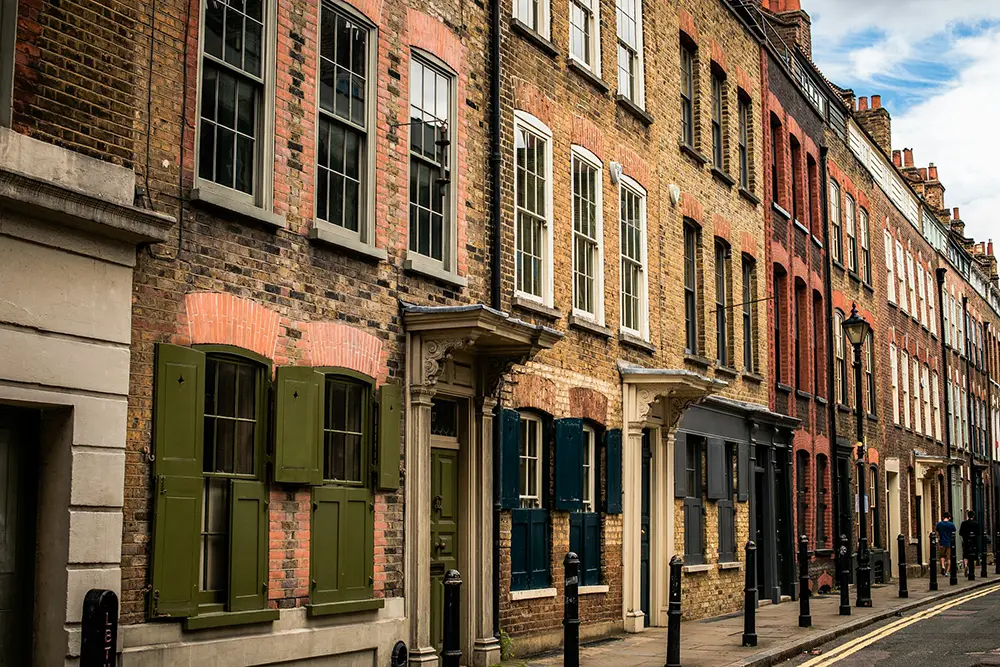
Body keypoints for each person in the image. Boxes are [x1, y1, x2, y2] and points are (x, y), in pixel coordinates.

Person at [936, 511, 956, 576]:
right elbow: (954, 531)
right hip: (949, 543)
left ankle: (943, 566)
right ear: (949, 517)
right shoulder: (951, 525)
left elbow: (937, 530)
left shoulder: (939, 524)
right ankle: (947, 572)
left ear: (943, 517)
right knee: (949, 557)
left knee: (942, 556)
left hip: (941, 542)